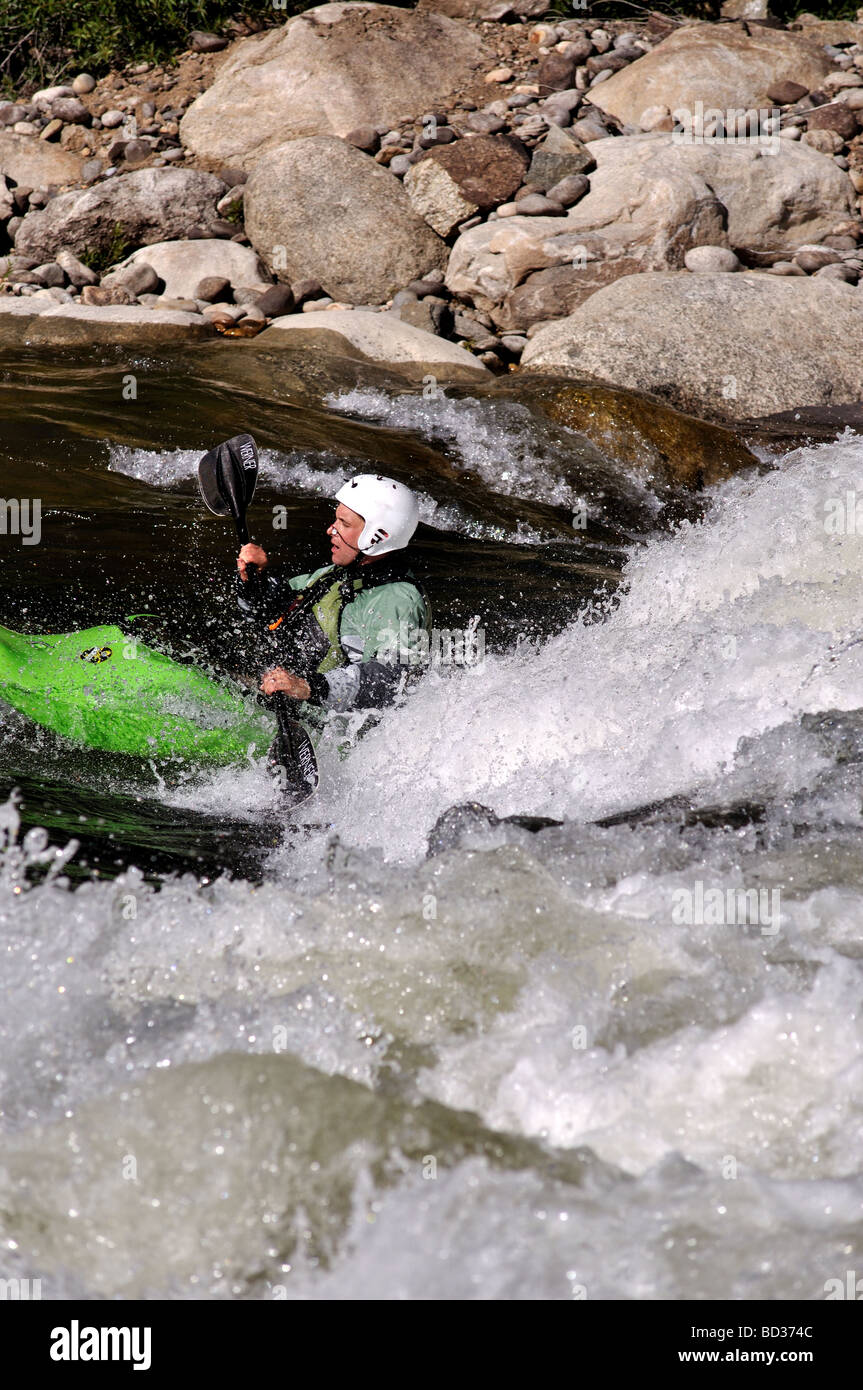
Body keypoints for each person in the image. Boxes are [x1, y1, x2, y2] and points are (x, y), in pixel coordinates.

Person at [236, 474, 431, 727]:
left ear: (377, 536)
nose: (331, 530)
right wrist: (255, 581)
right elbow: (267, 615)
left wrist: (307, 687)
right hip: (292, 706)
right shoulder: (337, 575)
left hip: (340, 733)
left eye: (344, 523)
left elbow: (393, 679)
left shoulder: (397, 601)